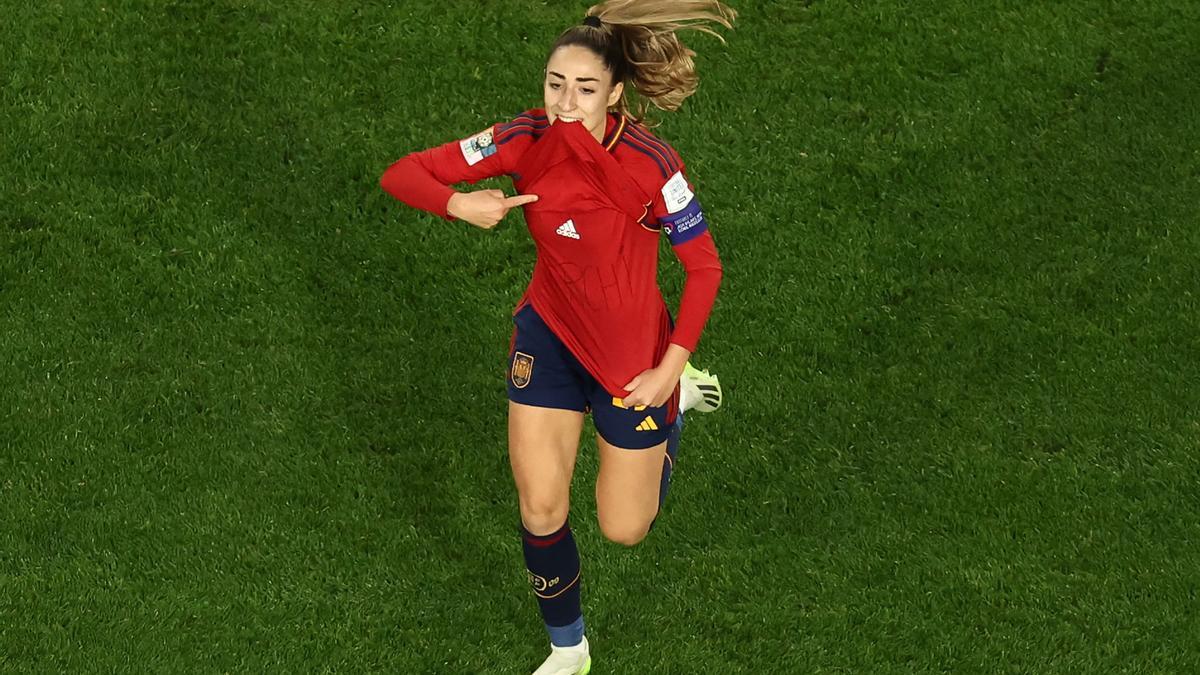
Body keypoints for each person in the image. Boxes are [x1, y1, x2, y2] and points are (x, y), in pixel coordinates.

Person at [380, 2, 733, 672]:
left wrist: (669, 366)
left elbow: (704, 265)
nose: (566, 102)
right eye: (554, 83)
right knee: (541, 506)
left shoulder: (652, 162)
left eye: (586, 88)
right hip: (548, 334)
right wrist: (460, 202)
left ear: (617, 93)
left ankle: (676, 402)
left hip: (635, 359)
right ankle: (569, 649)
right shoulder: (522, 135)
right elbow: (404, 172)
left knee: (623, 528)